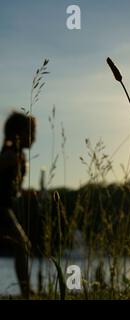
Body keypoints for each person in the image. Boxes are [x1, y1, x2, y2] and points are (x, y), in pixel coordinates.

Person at [0, 111, 36, 298]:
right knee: (22, 244)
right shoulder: (9, 155)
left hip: (5, 207)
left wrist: (27, 192)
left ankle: (26, 290)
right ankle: (25, 291)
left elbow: (12, 187)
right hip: (1, 207)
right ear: (18, 133)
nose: (34, 139)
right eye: (31, 133)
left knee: (22, 244)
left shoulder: (18, 156)